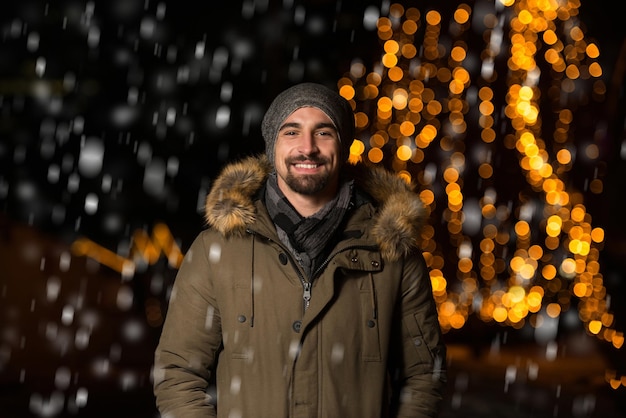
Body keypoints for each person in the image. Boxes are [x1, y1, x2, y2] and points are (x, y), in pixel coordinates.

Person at [153, 82, 447, 417]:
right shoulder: (217, 250)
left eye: (323, 132)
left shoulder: (393, 252)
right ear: (272, 145)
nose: (307, 148)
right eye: (291, 132)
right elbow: (178, 374)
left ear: (343, 144)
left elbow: (425, 376)